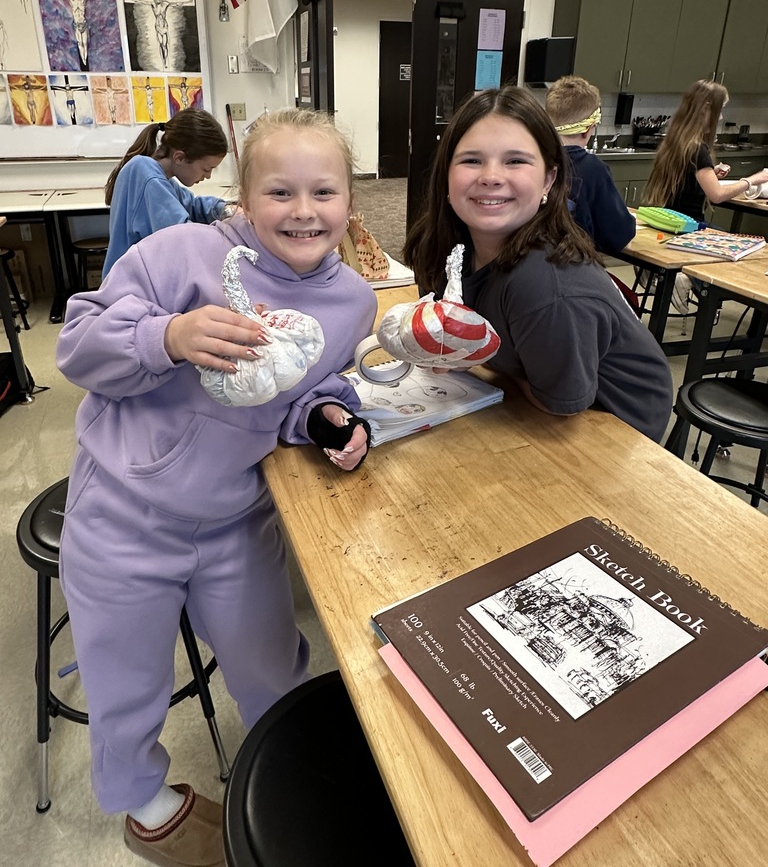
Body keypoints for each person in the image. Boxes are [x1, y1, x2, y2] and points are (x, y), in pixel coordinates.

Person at [55, 107, 378, 867]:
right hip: (122, 517)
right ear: (243, 194)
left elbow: (308, 385)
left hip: (236, 519)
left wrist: (331, 415)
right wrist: (164, 337)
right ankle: (144, 807)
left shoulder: (352, 302)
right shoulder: (178, 254)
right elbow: (78, 344)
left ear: (349, 202)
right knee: (125, 673)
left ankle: (295, 774)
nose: (303, 212)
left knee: (272, 662)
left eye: (323, 193)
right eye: (280, 192)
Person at [403, 85, 673, 443]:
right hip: (526, 394)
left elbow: (561, 405)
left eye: (515, 160)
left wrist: (480, 361)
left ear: (548, 179)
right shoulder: (444, 247)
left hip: (612, 428)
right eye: (471, 160)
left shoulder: (545, 285)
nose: (491, 176)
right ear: (446, 175)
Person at [644, 79, 768, 311]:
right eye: (719, 111)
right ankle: (689, 279)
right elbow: (717, 196)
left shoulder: (675, 142)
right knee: (752, 247)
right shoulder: (698, 149)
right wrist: (752, 180)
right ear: (706, 110)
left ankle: (671, 277)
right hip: (690, 228)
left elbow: (688, 183)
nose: (720, 118)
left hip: (670, 221)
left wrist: (711, 173)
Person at [103, 109, 230, 277]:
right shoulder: (147, 175)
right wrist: (225, 233)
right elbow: (182, 234)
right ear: (179, 158)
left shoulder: (160, 178)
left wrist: (227, 209)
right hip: (128, 289)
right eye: (206, 169)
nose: (208, 175)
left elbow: (193, 205)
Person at [544, 75, 635, 257]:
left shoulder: (530, 159)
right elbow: (618, 235)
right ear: (589, 129)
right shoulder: (593, 170)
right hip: (571, 267)